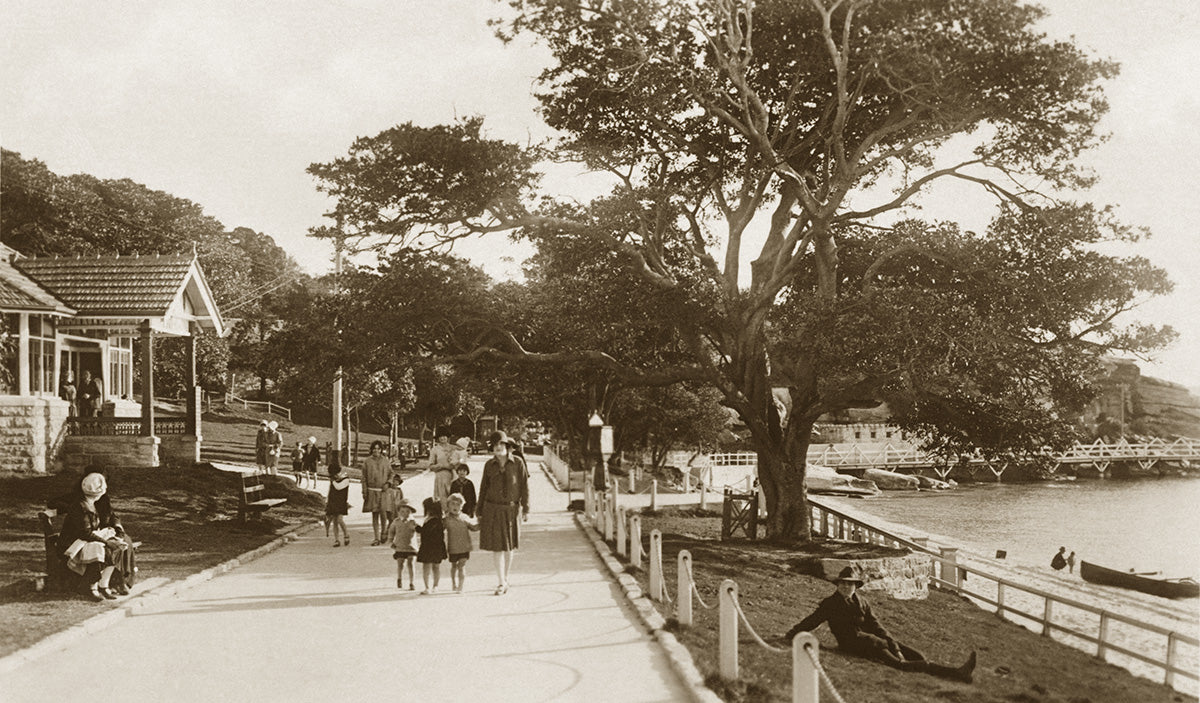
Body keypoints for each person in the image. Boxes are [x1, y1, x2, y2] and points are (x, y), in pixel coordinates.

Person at [783, 566, 977, 683]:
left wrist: (889, 640)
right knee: (901, 664)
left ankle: (953, 674)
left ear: (855, 586)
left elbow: (875, 625)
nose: (845, 587)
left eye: (850, 584)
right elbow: (811, 621)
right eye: (842, 583)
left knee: (916, 655)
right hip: (854, 644)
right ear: (838, 584)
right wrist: (791, 634)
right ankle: (958, 673)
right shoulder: (830, 604)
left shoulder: (862, 602)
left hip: (872, 640)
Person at [54, 471, 134, 601]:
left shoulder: (91, 503)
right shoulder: (81, 507)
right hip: (71, 544)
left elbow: (109, 518)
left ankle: (103, 585)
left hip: (84, 540)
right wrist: (107, 542)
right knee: (102, 548)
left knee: (118, 545)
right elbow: (85, 533)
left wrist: (113, 538)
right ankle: (91, 587)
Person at [477, 431, 529, 595]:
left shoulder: (518, 463)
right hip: (492, 509)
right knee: (497, 547)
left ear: (507, 446)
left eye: (501, 444)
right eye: (495, 445)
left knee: (509, 547)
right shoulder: (489, 465)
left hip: (512, 510)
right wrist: (479, 510)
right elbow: (483, 488)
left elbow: (524, 487)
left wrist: (526, 508)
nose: (498, 448)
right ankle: (500, 582)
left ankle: (505, 578)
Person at [444, 492, 479, 593]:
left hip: (464, 546)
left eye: (458, 504)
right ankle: (454, 583)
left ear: (462, 506)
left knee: (461, 566)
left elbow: (474, 527)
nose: (455, 506)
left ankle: (460, 587)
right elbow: (438, 530)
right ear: (448, 506)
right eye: (453, 504)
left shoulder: (464, 517)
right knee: (454, 565)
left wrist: (481, 522)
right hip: (453, 547)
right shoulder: (446, 519)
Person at [362, 440, 391, 545]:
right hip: (372, 491)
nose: (376, 450)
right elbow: (364, 477)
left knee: (383, 513)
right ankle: (376, 537)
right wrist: (364, 491)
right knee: (375, 514)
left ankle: (384, 532)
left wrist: (388, 483)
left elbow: (391, 474)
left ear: (381, 450)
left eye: (378, 448)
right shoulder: (367, 461)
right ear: (371, 449)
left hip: (383, 491)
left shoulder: (385, 461)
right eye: (374, 448)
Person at [387, 498, 418, 590]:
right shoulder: (396, 522)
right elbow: (391, 531)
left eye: (407, 511)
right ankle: (399, 578)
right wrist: (391, 541)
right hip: (399, 546)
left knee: (411, 563)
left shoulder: (413, 522)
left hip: (411, 547)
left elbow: (420, 530)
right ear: (399, 512)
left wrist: (417, 527)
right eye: (402, 511)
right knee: (400, 563)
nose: (405, 513)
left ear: (411, 512)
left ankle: (412, 582)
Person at [417, 497, 446, 594]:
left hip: (428, 547)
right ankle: (435, 586)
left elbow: (426, 532)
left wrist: (417, 528)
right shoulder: (439, 520)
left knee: (427, 567)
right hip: (437, 547)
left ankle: (428, 587)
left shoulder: (431, 520)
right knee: (436, 567)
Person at [428, 431, 463, 511]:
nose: (443, 438)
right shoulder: (435, 449)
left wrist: (456, 464)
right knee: (442, 499)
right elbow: (430, 466)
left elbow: (461, 458)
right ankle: (444, 517)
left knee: (454, 497)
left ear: (448, 437)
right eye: (440, 437)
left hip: (453, 475)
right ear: (438, 438)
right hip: (441, 476)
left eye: (444, 436)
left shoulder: (453, 448)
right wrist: (440, 466)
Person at [326, 452, 350, 547]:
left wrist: (333, 481)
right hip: (333, 502)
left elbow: (339, 487)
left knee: (340, 519)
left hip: (341, 502)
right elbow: (330, 491)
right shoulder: (333, 480)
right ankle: (336, 539)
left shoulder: (345, 479)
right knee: (334, 521)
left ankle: (346, 534)